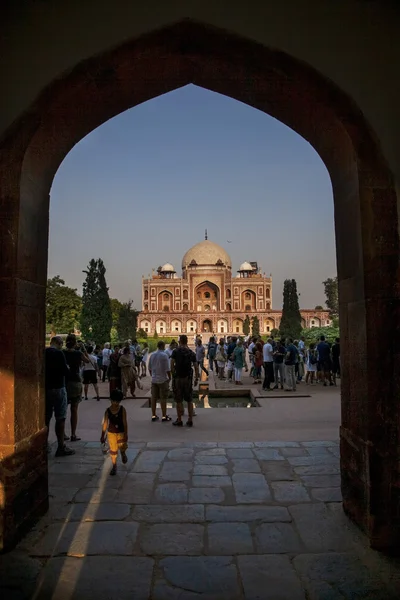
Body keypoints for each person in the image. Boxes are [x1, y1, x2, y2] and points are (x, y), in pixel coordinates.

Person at [45, 336, 75, 457]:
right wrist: (67, 368)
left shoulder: (44, 352)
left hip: (46, 388)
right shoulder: (59, 353)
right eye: (61, 343)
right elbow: (65, 371)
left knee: (46, 418)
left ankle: (44, 444)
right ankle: (60, 446)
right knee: (60, 418)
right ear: (58, 343)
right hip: (58, 387)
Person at [63, 334, 90, 441]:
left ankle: (63, 433)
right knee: (74, 409)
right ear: (75, 343)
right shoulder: (78, 353)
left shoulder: (62, 352)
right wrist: (83, 349)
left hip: (65, 381)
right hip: (75, 381)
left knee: (63, 409)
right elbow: (88, 360)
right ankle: (73, 434)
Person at [170, 334, 199, 427]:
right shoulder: (191, 352)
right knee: (189, 399)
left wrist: (173, 375)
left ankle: (179, 420)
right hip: (188, 378)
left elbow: (171, 364)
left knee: (178, 400)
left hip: (178, 378)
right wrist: (196, 378)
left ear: (180, 341)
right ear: (186, 341)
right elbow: (196, 366)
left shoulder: (175, 351)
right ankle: (190, 420)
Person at [100, 389, 128, 476]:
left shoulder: (122, 410)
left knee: (122, 446)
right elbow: (105, 423)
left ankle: (123, 453)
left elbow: (125, 422)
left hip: (121, 432)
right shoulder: (107, 411)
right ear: (111, 400)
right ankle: (114, 466)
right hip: (111, 433)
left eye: (117, 402)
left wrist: (126, 433)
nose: (115, 403)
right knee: (113, 450)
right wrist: (102, 435)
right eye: (114, 401)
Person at [148, 340, 172, 422]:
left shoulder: (152, 355)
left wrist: (153, 376)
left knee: (153, 398)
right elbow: (167, 369)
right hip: (163, 379)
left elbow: (149, 368)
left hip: (154, 380)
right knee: (163, 398)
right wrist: (170, 378)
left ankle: (153, 415)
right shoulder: (164, 355)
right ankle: (164, 416)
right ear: (163, 346)